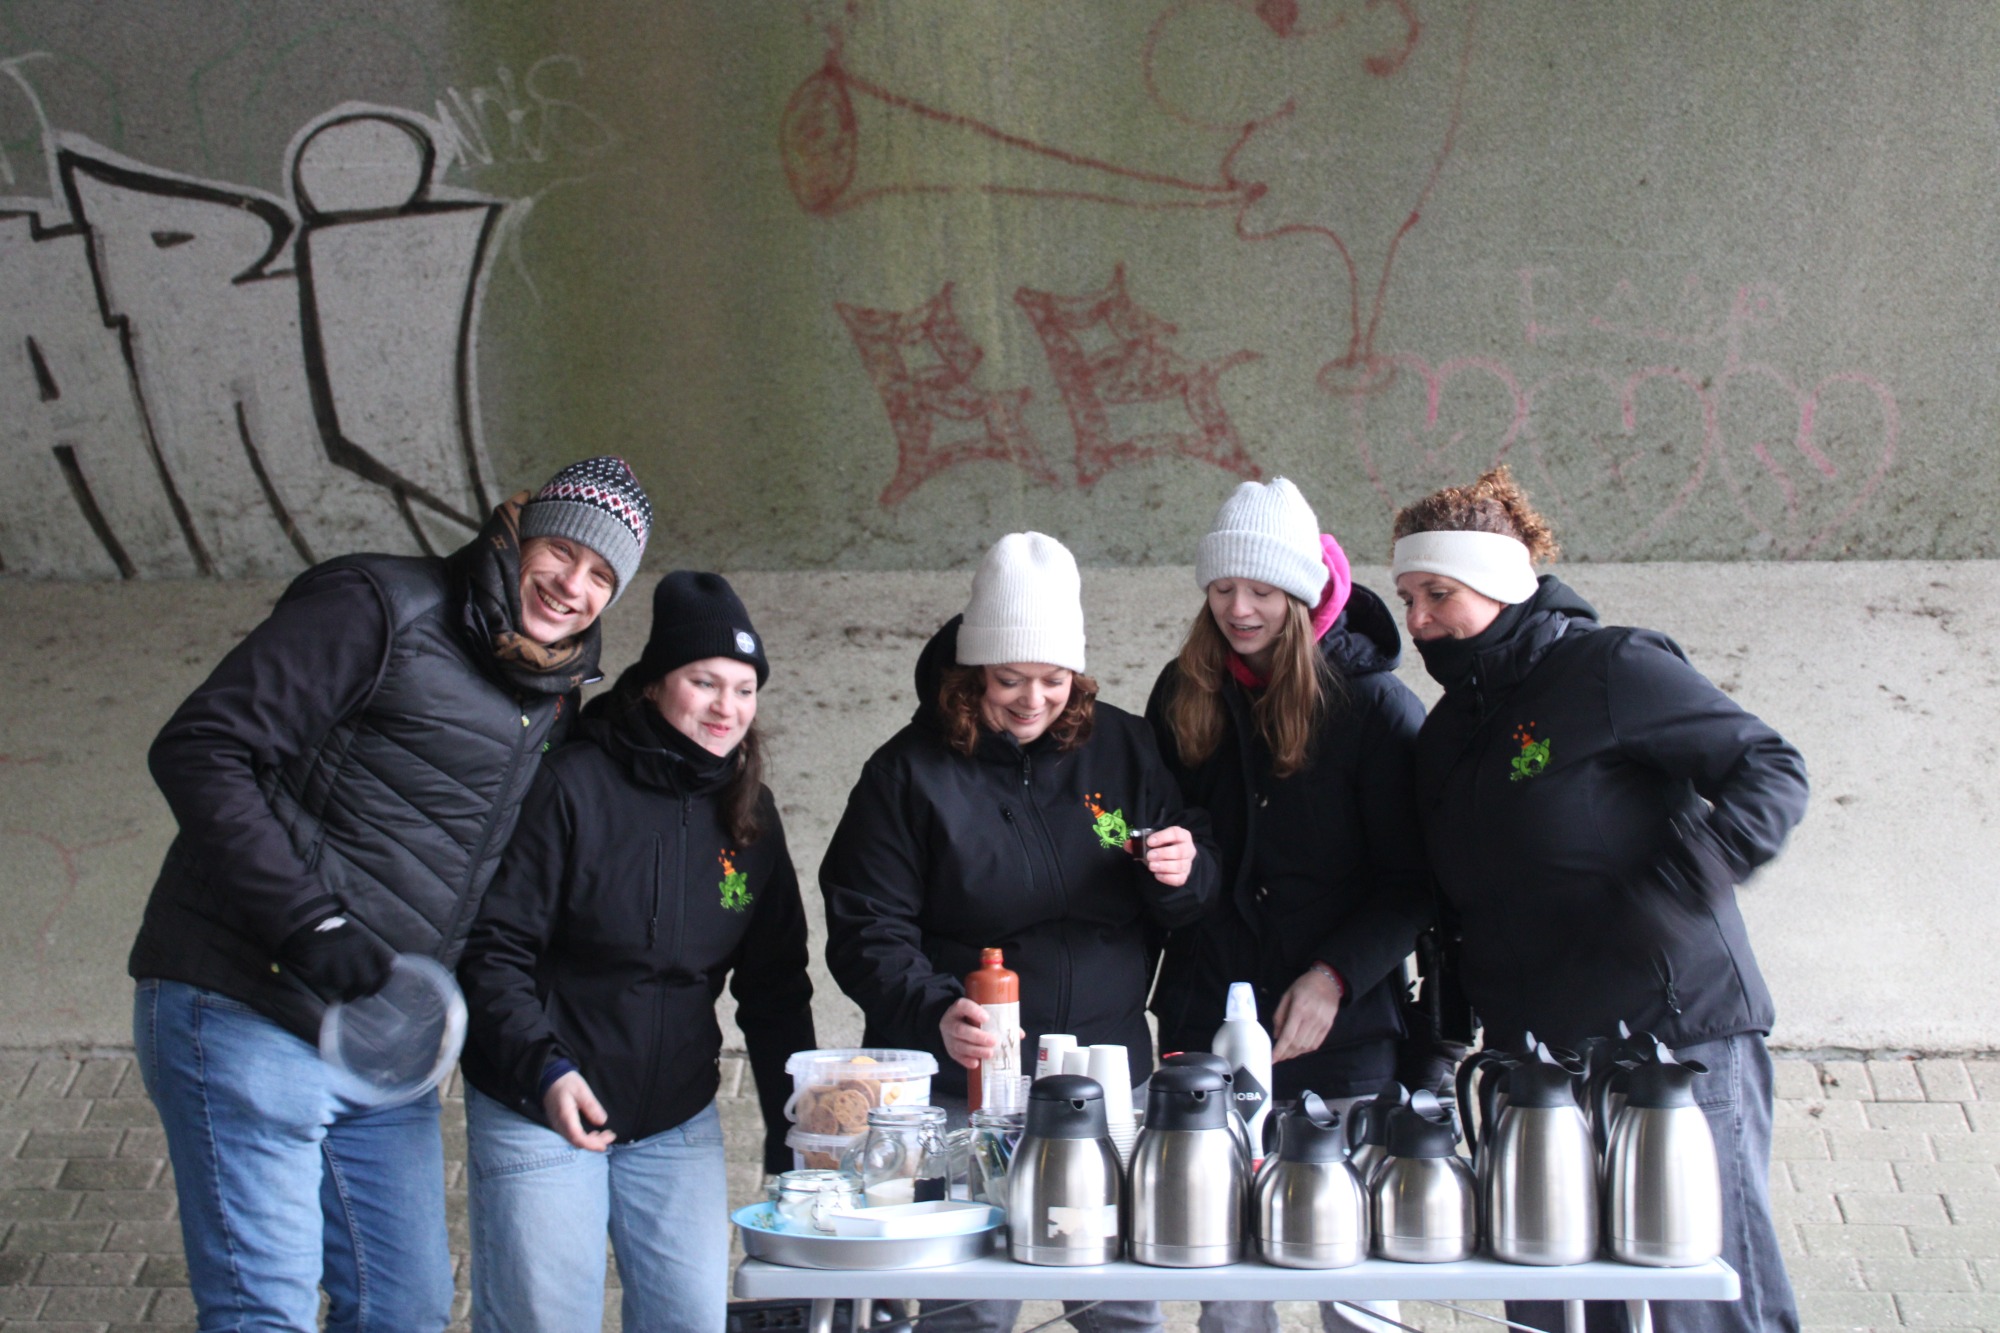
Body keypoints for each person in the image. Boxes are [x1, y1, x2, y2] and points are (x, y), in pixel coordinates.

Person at [128, 457, 652, 1332]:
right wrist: (308, 921)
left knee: (404, 1308)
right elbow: (201, 746)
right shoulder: (380, 606)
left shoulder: (552, 698)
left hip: (380, 1040)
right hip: (245, 999)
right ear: (519, 534)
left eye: (602, 575)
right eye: (563, 552)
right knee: (264, 1313)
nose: (574, 585)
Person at [1391, 466, 1807, 1333]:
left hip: (1672, 1035)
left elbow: (1769, 767)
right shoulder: (1445, 735)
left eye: (1438, 594)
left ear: (1500, 585)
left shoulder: (1610, 668)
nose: (1419, 620)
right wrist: (1443, 1034)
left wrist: (1684, 882)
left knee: (1699, 1293)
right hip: (1534, 1060)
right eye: (1408, 599)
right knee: (1561, 1297)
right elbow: (1454, 902)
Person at [822, 531, 1219, 1333]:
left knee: (1120, 1303)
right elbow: (866, 927)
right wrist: (934, 1008)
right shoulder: (907, 774)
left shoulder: (1125, 746)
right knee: (967, 1306)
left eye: (1053, 678)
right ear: (972, 673)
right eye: (1009, 679)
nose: (1033, 699)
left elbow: (1191, 885)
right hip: (969, 1087)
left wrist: (1185, 870)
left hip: (1106, 1079)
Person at [458, 571, 814, 1332]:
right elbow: (493, 951)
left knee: (691, 1319)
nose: (726, 707)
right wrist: (544, 1068)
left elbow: (776, 986)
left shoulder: (749, 813)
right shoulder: (571, 785)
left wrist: (797, 1135)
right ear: (654, 685)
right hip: (542, 1102)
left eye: (744, 689)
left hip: (674, 1117)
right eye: (703, 682)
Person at [1146, 478, 1427, 1333]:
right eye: (1223, 587)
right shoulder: (1183, 691)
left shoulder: (1374, 705)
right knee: (1226, 1272)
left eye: (1263, 590)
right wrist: (1170, 870)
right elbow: (1167, 849)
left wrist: (1335, 975)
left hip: (1347, 1034)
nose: (1239, 608)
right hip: (1208, 1017)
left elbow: (1416, 880)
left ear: (1302, 595)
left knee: (1356, 1274)